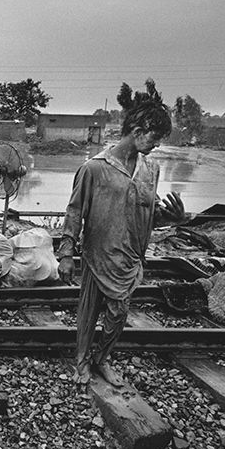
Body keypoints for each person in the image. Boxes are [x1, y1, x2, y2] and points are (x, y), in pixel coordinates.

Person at [57, 100, 188, 386]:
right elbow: (75, 211)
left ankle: (101, 360)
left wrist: (175, 219)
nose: (156, 145)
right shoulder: (94, 168)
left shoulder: (150, 170)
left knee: (118, 314)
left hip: (129, 260)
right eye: (154, 138)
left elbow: (148, 216)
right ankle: (81, 362)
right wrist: (66, 253)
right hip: (98, 254)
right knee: (88, 314)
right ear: (139, 131)